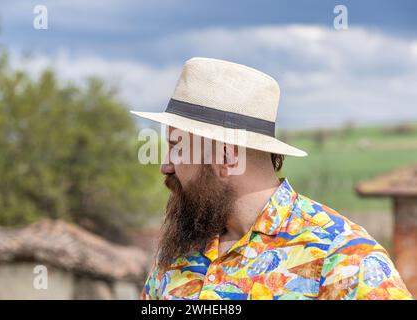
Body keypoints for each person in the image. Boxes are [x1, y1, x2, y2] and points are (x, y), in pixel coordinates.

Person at [131, 57, 413, 300]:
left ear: (227, 157)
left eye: (178, 148)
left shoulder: (345, 259)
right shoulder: (178, 253)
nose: (166, 166)